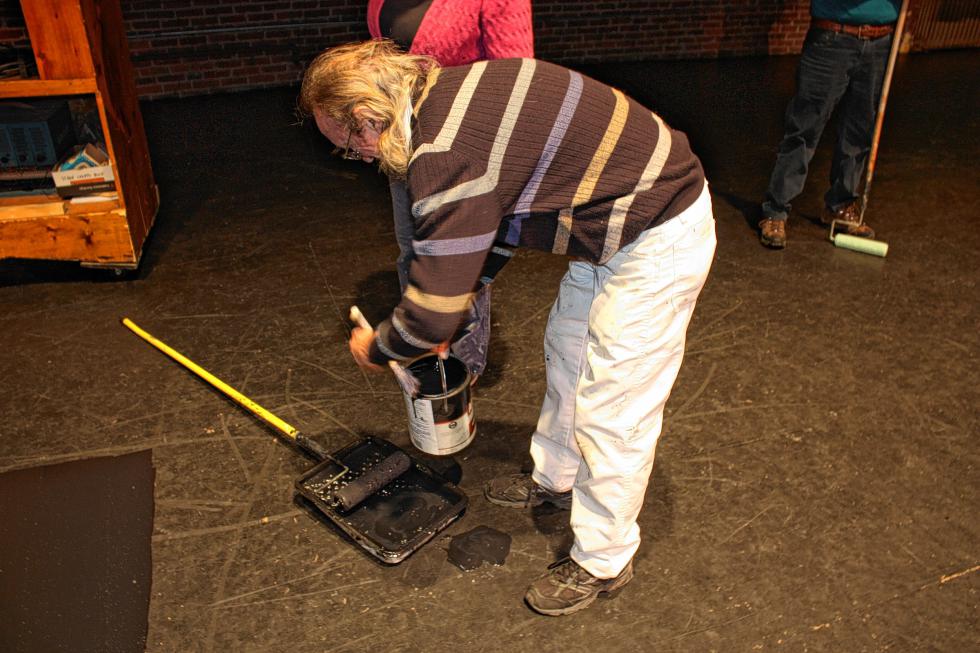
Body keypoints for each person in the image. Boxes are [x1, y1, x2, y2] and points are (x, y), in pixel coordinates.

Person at [299, 40, 716, 616]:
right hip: (615, 226)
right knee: (568, 355)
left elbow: (429, 312)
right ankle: (556, 480)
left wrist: (382, 345)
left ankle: (603, 558)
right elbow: (491, 227)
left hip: (657, 231)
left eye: (351, 147)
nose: (363, 160)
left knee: (615, 406)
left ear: (370, 117)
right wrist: (456, 297)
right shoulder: (445, 96)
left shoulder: (444, 153)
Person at [368, 0, 535, 377]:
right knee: (412, 248)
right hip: (402, 140)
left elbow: (516, 76)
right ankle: (427, 353)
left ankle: (463, 366)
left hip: (460, 148)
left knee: (459, 259)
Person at [758, 0, 900, 248]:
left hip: (881, 40)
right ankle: (776, 211)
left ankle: (841, 205)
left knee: (859, 131)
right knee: (804, 130)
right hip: (832, 38)